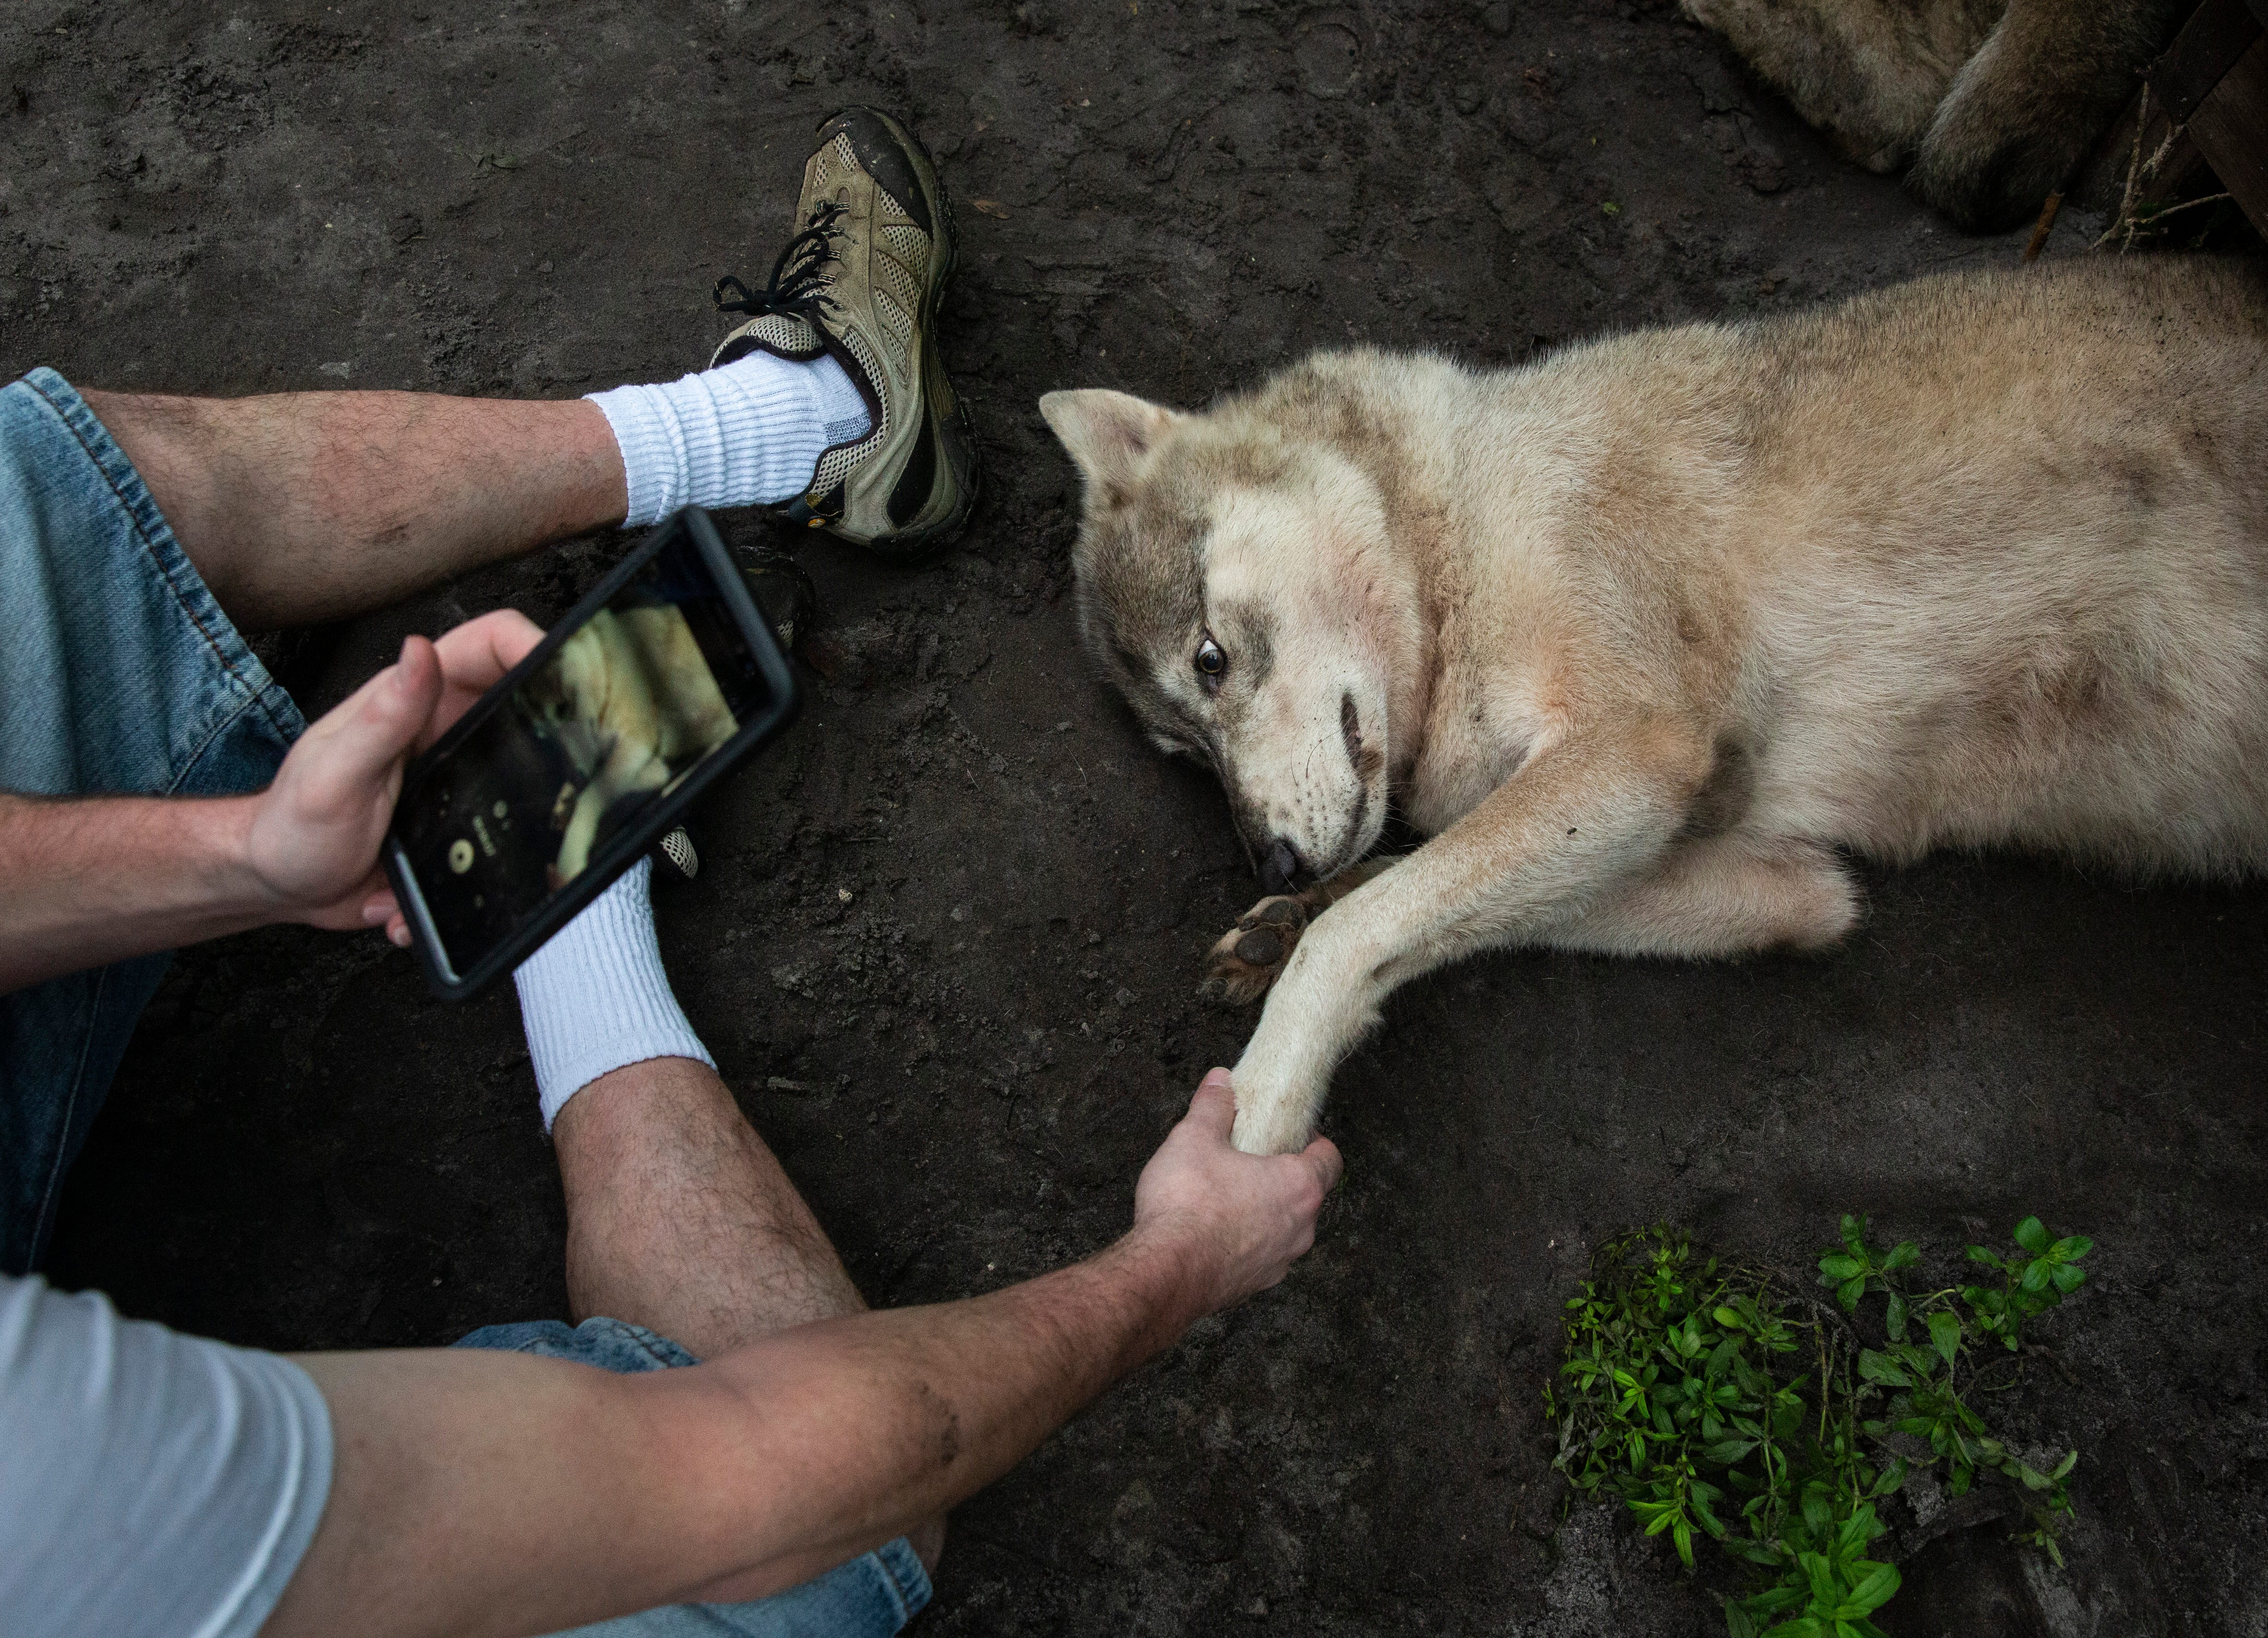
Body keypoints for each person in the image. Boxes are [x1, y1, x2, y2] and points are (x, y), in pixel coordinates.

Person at [0, 108, 1342, 1637]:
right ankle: (575, 927)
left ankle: (799, 420)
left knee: (35, 492)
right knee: (810, 1546)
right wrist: (1171, 1269)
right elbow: (759, 1466)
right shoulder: (64, 1473)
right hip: (110, 1532)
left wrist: (239, 856)